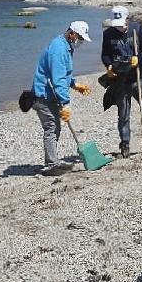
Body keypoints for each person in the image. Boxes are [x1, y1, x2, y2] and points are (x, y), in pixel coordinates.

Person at [101, 6, 142, 157]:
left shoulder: (136, 29)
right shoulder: (108, 34)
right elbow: (105, 55)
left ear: (127, 19)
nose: (119, 27)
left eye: (121, 23)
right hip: (120, 80)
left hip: (139, 77)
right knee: (123, 116)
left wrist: (139, 58)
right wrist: (109, 66)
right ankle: (125, 146)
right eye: (116, 24)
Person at [32, 21, 92, 175]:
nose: (81, 42)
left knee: (54, 127)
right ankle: (51, 165)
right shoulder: (58, 49)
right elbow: (57, 79)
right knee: (51, 127)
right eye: (80, 38)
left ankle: (53, 161)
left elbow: (63, 74)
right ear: (71, 33)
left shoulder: (65, 46)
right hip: (43, 95)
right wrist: (65, 103)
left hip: (52, 94)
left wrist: (74, 84)